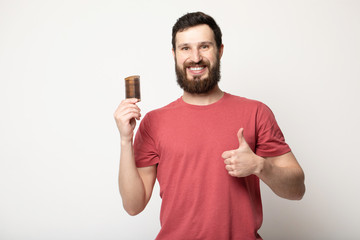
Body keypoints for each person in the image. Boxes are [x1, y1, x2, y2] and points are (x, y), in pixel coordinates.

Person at [114, 11, 305, 240]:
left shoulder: (256, 112)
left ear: (220, 51)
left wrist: (260, 166)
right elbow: (133, 206)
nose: (195, 57)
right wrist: (126, 139)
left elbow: (297, 189)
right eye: (185, 48)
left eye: (204, 46)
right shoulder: (153, 122)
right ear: (174, 55)